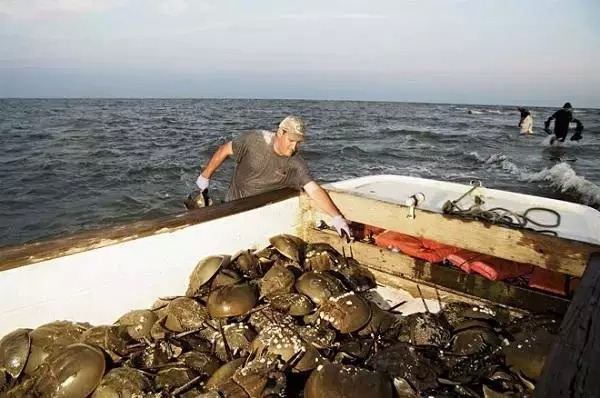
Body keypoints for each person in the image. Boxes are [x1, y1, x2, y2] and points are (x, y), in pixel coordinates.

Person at [195, 116, 352, 238]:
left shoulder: (296, 163)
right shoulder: (254, 141)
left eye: (299, 143)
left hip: (261, 213)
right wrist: (205, 176)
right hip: (233, 206)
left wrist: (337, 217)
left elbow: (314, 189)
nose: (294, 147)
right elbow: (225, 150)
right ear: (280, 133)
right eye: (291, 141)